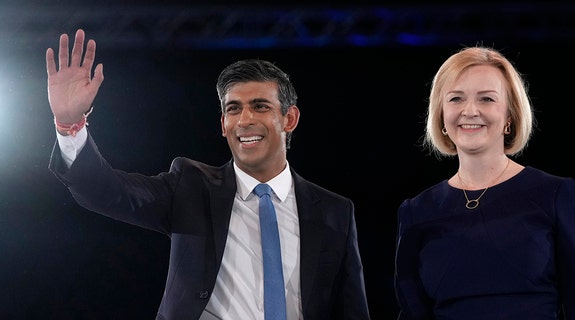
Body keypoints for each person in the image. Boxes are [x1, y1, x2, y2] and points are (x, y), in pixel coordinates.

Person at [46, 29, 370, 320]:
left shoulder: (334, 211)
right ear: (223, 125)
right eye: (233, 108)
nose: (244, 119)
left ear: (290, 119)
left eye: (260, 106)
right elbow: (107, 191)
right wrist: (70, 125)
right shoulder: (190, 186)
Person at [394, 46, 575, 319]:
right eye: (456, 99)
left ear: (509, 117)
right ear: (441, 116)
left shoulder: (555, 194)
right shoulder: (416, 211)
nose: (470, 111)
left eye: (486, 99)